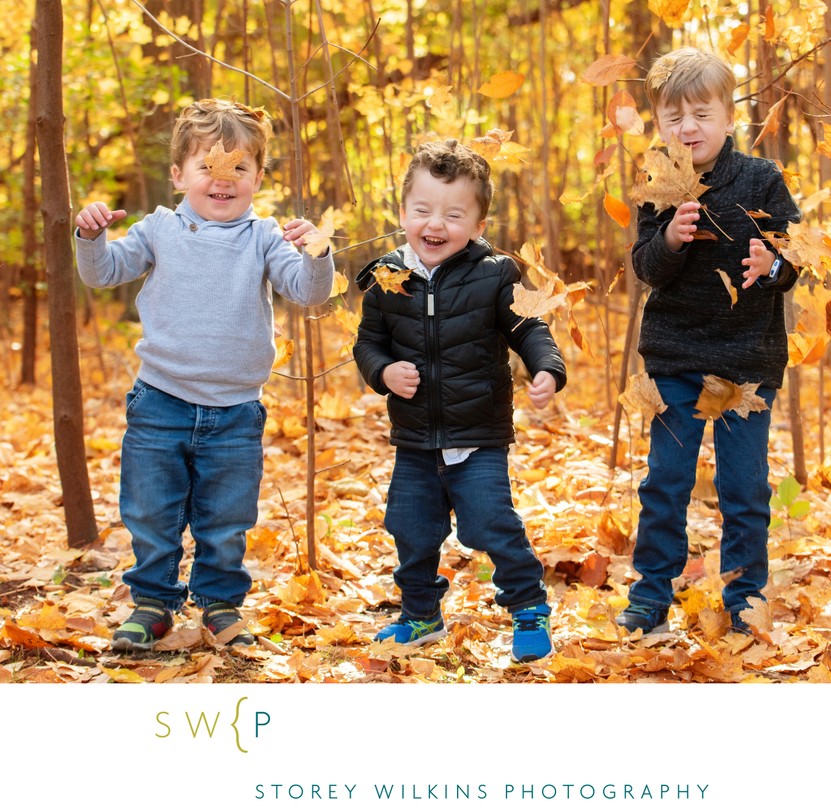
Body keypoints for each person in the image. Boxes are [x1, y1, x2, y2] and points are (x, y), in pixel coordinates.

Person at [75, 99, 335, 652]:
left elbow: (308, 290)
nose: (224, 180)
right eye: (207, 167)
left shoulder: (264, 237)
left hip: (236, 409)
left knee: (226, 518)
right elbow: (103, 274)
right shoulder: (160, 228)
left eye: (239, 168)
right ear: (177, 175)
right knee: (150, 512)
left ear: (258, 177)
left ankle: (219, 606)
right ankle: (152, 604)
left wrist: (316, 251)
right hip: (160, 401)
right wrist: (91, 235)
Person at [353, 139, 567, 663]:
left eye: (453, 214)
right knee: (410, 526)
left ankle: (528, 607)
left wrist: (546, 368)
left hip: (478, 436)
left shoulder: (494, 274)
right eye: (422, 210)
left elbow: (528, 327)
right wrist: (383, 372)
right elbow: (367, 343)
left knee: (489, 524)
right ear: (403, 212)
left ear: (478, 225)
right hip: (415, 439)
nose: (435, 224)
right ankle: (421, 614)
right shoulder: (388, 279)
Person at [621, 48, 801, 636]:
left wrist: (771, 266)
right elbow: (646, 267)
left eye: (701, 113)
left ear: (728, 118)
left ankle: (746, 596)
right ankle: (651, 593)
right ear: (659, 124)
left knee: (742, 487)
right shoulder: (658, 182)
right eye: (674, 117)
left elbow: (796, 258)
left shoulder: (761, 179)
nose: (688, 127)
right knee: (665, 482)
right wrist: (669, 240)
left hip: (747, 361)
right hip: (675, 359)